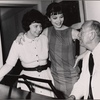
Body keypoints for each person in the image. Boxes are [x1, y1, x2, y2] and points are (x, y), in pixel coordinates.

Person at [16, 2, 82, 99]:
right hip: (55, 77)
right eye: (55, 18)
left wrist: (81, 55)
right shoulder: (47, 31)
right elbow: (33, 37)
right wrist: (22, 34)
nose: (59, 21)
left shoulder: (72, 32)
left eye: (61, 17)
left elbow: (90, 42)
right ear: (49, 18)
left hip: (72, 76)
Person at [0, 9, 54, 97]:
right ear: (28, 25)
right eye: (35, 26)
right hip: (28, 81)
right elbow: (9, 65)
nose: (39, 29)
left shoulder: (44, 38)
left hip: (46, 78)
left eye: (40, 26)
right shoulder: (18, 42)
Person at [67, 20, 100, 100]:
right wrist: (73, 96)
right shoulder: (87, 56)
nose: (79, 35)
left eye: (81, 32)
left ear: (91, 35)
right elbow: (83, 81)